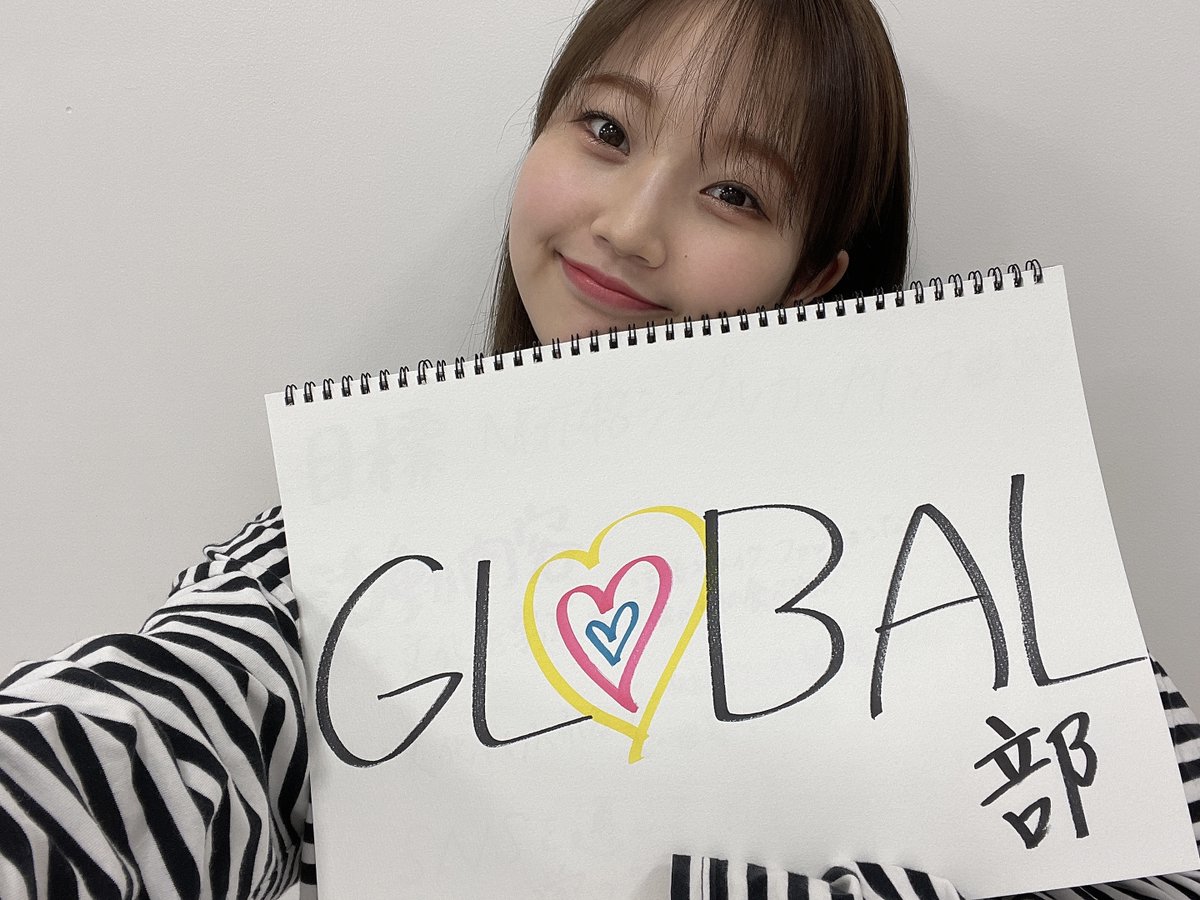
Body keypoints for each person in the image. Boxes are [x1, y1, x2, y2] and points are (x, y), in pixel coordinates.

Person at [1, 0, 1195, 897]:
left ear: (813, 277)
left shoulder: (969, 584)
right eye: (607, 128)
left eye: (736, 195)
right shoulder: (329, 560)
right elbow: (158, 730)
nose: (629, 227)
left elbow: (1155, 843)